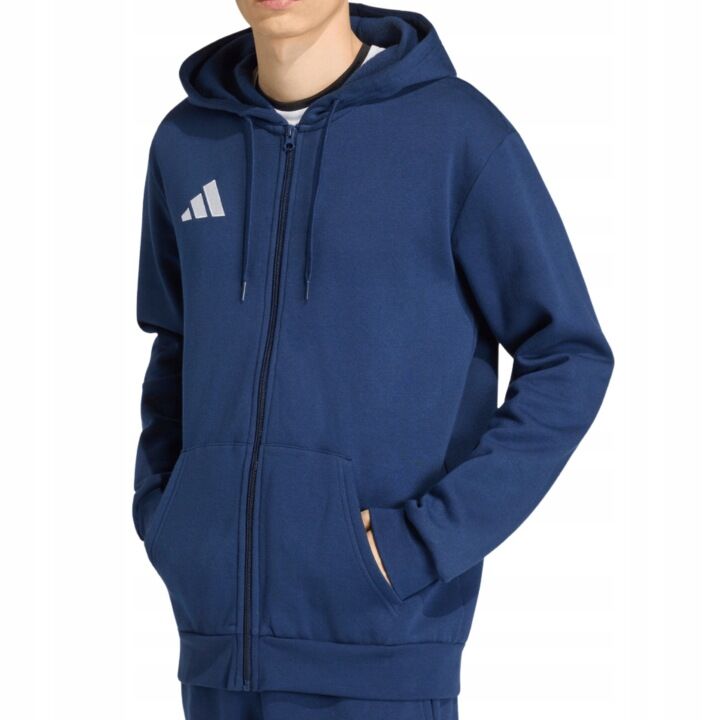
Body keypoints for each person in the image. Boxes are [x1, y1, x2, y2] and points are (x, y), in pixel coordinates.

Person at [132, 1, 614, 718]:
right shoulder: (186, 142)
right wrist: (172, 518)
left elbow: (569, 355)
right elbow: (175, 343)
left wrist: (423, 541)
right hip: (216, 658)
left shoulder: (456, 135)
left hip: (383, 656)